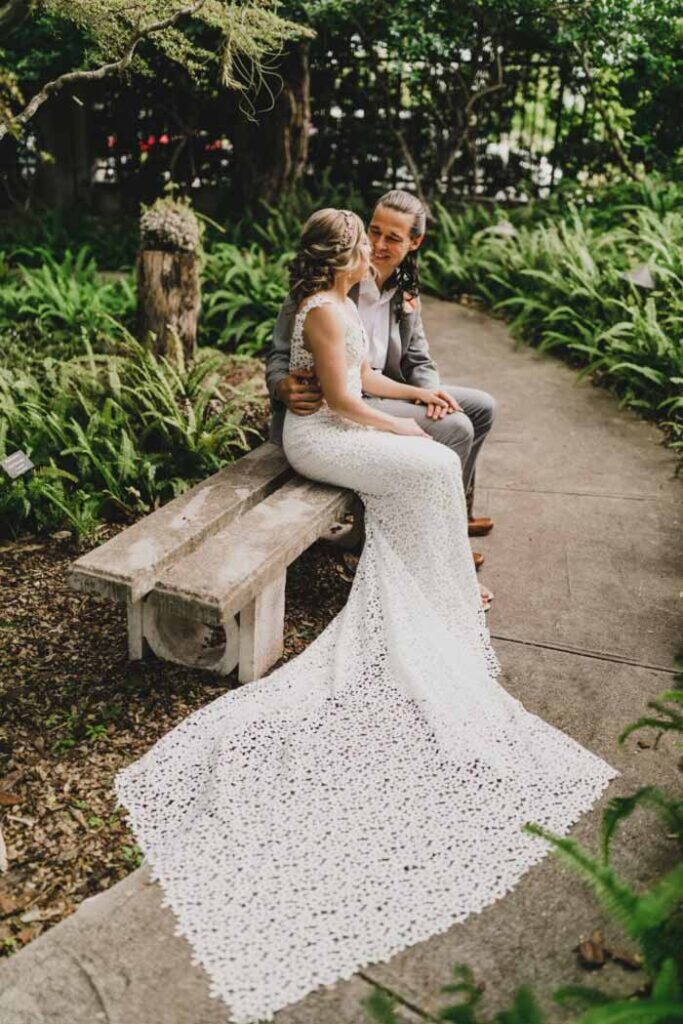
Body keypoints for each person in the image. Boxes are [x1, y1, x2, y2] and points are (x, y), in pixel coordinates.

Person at [116, 209, 617, 1024]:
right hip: (318, 438)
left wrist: (415, 395)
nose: (370, 252)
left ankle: (437, 582)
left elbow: (372, 377)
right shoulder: (319, 308)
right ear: (343, 255)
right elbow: (340, 400)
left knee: (429, 460)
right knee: (425, 466)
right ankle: (438, 580)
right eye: (362, 244)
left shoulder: (351, 302)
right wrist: (403, 429)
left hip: (348, 423)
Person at [266, 189, 497, 561]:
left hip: (376, 389)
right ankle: (438, 536)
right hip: (341, 404)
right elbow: (280, 352)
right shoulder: (331, 282)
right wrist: (282, 386)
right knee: (457, 429)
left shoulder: (405, 290)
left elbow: (419, 359)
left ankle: (454, 514)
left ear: (414, 242)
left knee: (481, 408)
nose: (377, 245)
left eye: (392, 237)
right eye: (373, 232)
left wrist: (428, 394)